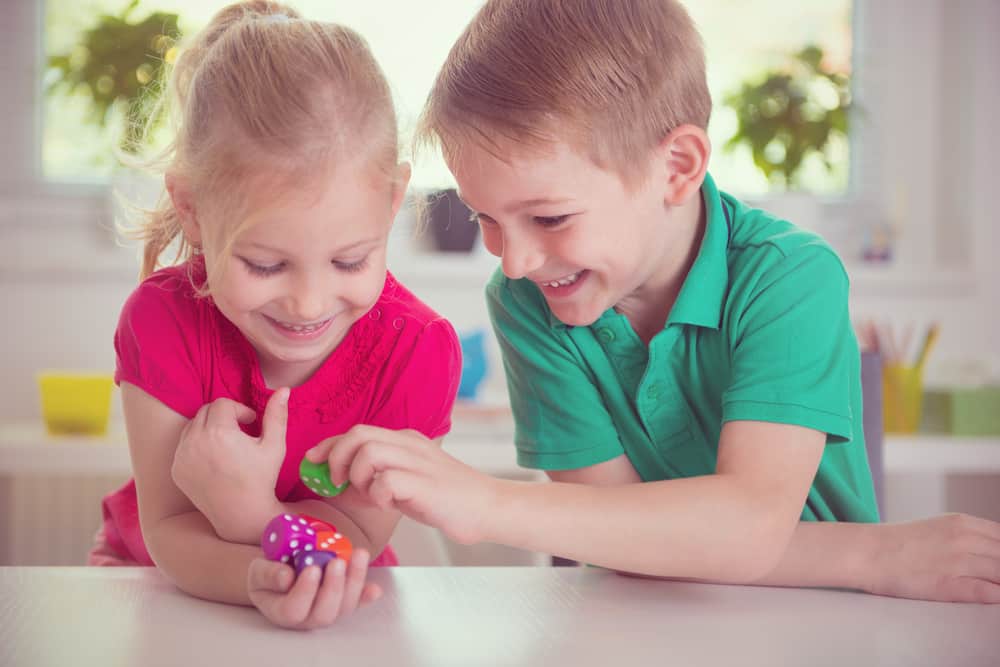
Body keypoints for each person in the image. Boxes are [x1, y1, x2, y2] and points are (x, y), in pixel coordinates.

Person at [308, 0, 1000, 603]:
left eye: (549, 218)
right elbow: (620, 537)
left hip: (825, 621)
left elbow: (743, 526)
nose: (512, 259)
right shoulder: (527, 300)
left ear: (676, 167)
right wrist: (873, 553)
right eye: (484, 217)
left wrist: (484, 501)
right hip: (646, 626)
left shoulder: (791, 277)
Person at [88, 1, 461, 629]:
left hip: (338, 602)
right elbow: (169, 529)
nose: (308, 305)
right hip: (158, 589)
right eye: (266, 265)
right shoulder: (161, 321)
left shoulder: (417, 351)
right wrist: (252, 578)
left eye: (350, 261)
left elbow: (353, 540)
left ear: (394, 199)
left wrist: (248, 515)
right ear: (193, 210)